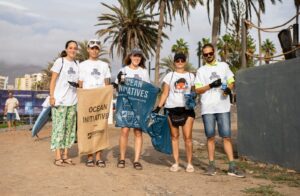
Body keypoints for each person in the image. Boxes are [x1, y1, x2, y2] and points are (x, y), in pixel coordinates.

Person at [194, 43, 245, 178]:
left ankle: (232, 167)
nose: (208, 56)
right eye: (206, 54)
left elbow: (231, 80)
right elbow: (198, 89)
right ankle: (211, 166)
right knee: (210, 137)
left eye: (210, 53)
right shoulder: (201, 71)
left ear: (214, 52)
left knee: (226, 136)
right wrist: (211, 85)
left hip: (223, 107)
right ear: (203, 55)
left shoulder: (223, 66)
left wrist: (229, 88)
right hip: (208, 108)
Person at [153, 53, 196, 172]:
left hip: (187, 110)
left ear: (185, 62)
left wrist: (193, 98)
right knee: (175, 137)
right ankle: (176, 163)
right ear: (174, 62)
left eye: (182, 60)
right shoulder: (169, 76)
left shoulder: (191, 76)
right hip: (171, 109)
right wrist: (158, 107)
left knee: (188, 137)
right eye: (178, 60)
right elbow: (165, 93)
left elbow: (194, 91)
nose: (180, 62)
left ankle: (189, 163)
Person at [78, 38, 111, 167]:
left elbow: (107, 83)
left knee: (100, 128)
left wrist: (106, 98)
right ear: (88, 49)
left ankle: (99, 156)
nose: (94, 50)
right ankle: (90, 156)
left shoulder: (104, 65)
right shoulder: (82, 65)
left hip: (100, 99)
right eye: (92, 48)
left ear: (99, 50)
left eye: (97, 48)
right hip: (87, 99)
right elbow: (80, 84)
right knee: (88, 128)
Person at [115, 48, 150, 170]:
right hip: (126, 104)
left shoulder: (144, 72)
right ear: (130, 57)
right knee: (124, 131)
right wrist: (119, 81)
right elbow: (118, 88)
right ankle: (122, 158)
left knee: (138, 132)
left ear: (141, 58)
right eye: (135, 56)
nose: (136, 58)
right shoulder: (123, 70)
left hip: (139, 106)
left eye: (139, 56)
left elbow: (147, 89)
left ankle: (136, 160)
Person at [49, 40, 79, 167]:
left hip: (73, 102)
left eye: (75, 48)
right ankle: (57, 157)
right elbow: (53, 80)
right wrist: (52, 96)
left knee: (70, 129)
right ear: (66, 49)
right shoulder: (60, 61)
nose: (73, 50)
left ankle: (66, 155)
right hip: (60, 101)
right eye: (70, 48)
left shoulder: (78, 64)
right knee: (58, 128)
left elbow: (80, 82)